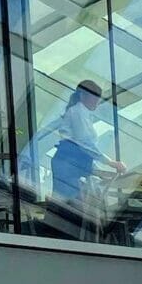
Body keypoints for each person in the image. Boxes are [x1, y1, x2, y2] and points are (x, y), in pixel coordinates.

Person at [48, 79, 121, 210]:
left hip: (73, 163)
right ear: (83, 96)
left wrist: (97, 170)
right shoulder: (78, 112)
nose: (97, 101)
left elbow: (84, 149)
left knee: (73, 204)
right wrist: (110, 163)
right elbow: (84, 144)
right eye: (95, 97)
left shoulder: (83, 113)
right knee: (69, 205)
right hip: (69, 164)